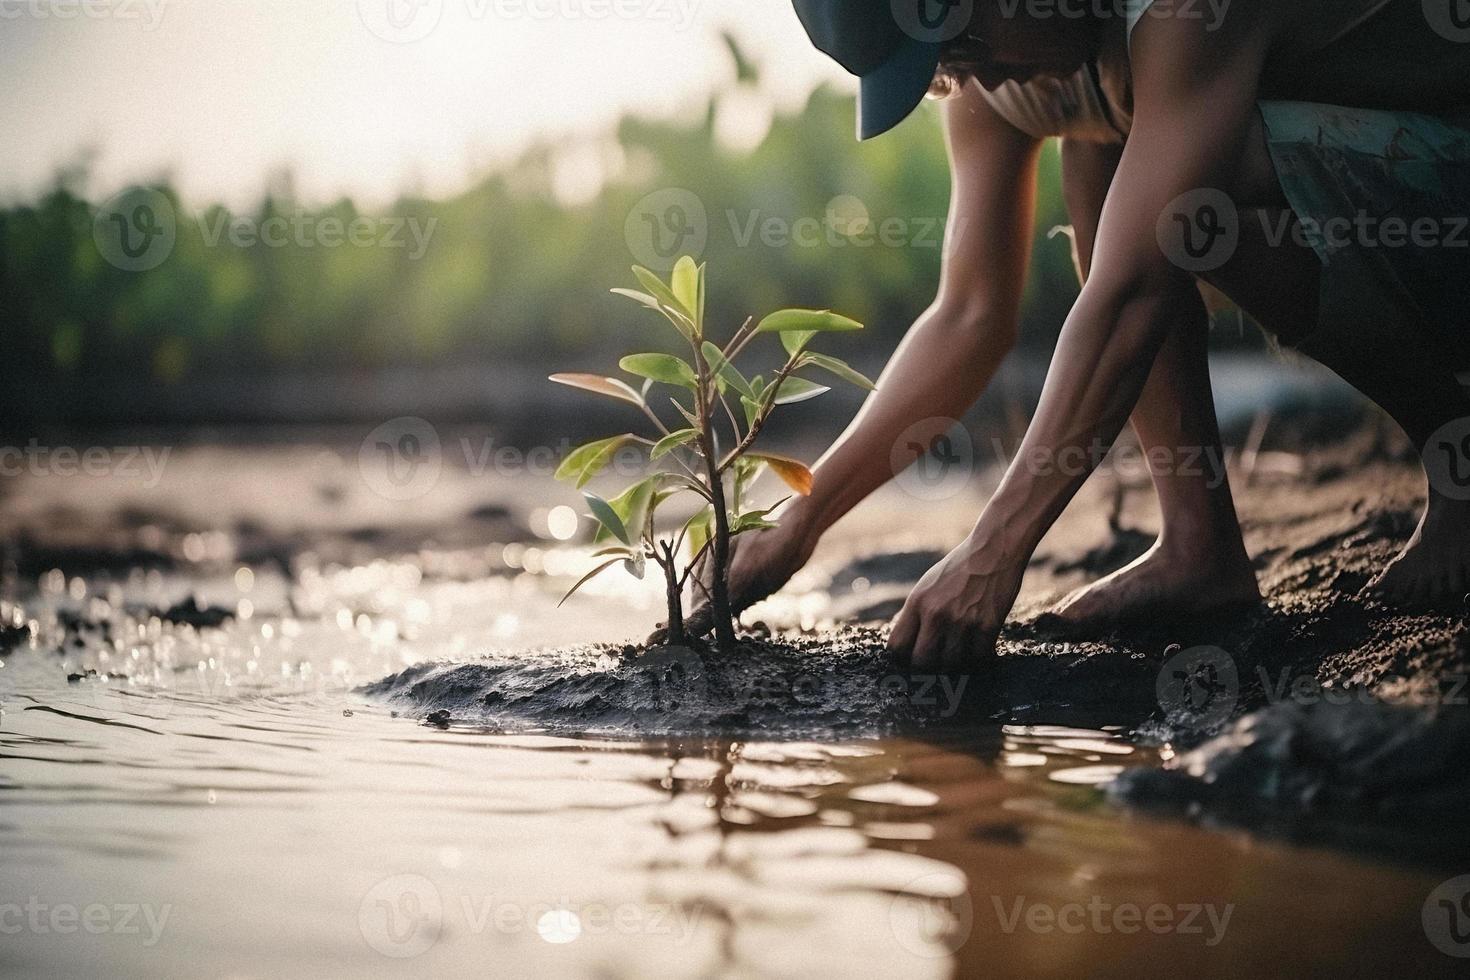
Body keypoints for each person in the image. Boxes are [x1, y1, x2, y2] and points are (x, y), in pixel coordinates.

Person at [682, 0, 1470, 668]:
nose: (977, 81)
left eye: (964, 47)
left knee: (1179, 198)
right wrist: (799, 520)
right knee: (1109, 157)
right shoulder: (999, 70)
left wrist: (995, 552)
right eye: (942, 72)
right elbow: (969, 315)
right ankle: (1200, 548)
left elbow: (1132, 288)